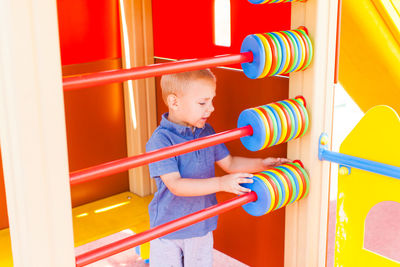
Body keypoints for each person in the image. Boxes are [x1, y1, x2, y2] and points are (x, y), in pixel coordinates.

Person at [146, 69, 290, 267]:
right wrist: (221, 183)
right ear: (174, 102)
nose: (211, 108)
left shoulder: (207, 133)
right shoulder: (161, 141)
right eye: (203, 103)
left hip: (201, 226)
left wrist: (262, 163)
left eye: (212, 100)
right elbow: (176, 185)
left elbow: (230, 164)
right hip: (168, 228)